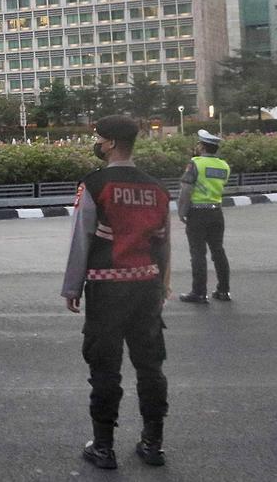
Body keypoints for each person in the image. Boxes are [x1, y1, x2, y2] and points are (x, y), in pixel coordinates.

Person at [61, 115, 171, 469]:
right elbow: (164, 244)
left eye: (98, 138)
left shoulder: (95, 185)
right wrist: (163, 285)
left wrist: (72, 286)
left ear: (108, 144)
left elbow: (83, 238)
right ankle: (153, 444)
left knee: (105, 368)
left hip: (108, 289)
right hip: (147, 287)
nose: (96, 143)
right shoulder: (157, 188)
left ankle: (104, 447)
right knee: (150, 366)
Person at [177, 129, 231, 304]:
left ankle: (199, 292)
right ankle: (223, 291)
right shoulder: (224, 166)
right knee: (218, 251)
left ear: (201, 146)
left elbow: (186, 189)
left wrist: (182, 211)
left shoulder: (195, 163)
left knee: (198, 253)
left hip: (197, 213)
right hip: (216, 212)